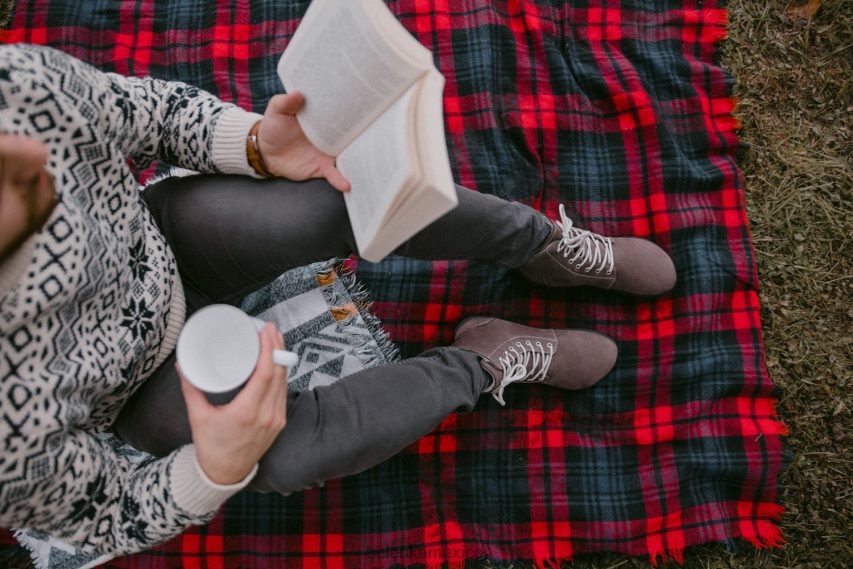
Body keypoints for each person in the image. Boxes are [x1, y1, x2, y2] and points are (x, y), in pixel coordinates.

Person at [0, 44, 676, 559]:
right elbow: (109, 510)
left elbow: (146, 113)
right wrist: (212, 468)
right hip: (136, 391)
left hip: (169, 239)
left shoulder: (15, 93)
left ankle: (540, 246)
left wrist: (255, 145)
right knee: (287, 456)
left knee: (345, 196)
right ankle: (482, 359)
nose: (32, 156)